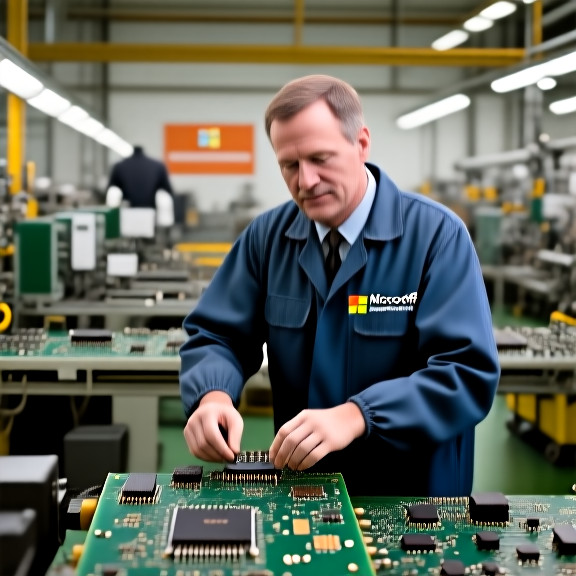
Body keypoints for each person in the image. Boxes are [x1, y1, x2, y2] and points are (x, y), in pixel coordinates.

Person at [179, 74, 500, 497]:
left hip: (413, 496)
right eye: (289, 165)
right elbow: (218, 333)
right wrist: (213, 396)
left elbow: (465, 372)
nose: (305, 181)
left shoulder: (436, 237)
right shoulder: (268, 238)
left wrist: (357, 415)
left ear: (361, 144)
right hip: (305, 491)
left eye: (320, 158)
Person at [106, 145, 174, 213]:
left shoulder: (119, 166)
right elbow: (168, 190)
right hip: (150, 211)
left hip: (127, 212)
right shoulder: (158, 165)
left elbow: (110, 189)